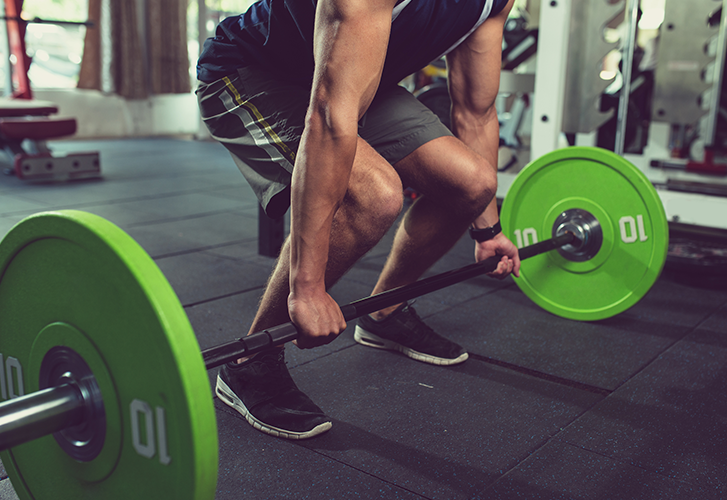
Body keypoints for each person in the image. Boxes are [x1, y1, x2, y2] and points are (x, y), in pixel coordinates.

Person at [197, 0, 521, 440]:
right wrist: (306, 289)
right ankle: (249, 363)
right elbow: (330, 117)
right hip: (252, 72)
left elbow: (476, 112)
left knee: (473, 183)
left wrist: (489, 229)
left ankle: (384, 314)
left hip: (358, 80)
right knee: (373, 195)